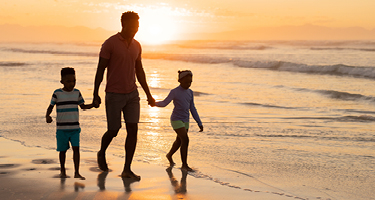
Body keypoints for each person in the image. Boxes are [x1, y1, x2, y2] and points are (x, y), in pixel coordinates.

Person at [93, 11, 155, 181]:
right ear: (123, 24)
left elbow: (139, 70)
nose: (136, 29)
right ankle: (102, 152)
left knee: (133, 130)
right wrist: (95, 93)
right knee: (113, 130)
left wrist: (148, 94)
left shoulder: (137, 45)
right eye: (133, 26)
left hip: (132, 94)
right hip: (113, 94)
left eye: (138, 26)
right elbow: (100, 69)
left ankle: (127, 169)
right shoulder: (110, 44)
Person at [46, 67, 96, 179]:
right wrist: (47, 116)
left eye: (74, 81)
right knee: (62, 151)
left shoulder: (77, 93)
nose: (71, 84)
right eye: (68, 81)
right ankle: (63, 170)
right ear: (62, 82)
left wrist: (93, 105)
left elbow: (83, 106)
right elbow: (51, 107)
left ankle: (77, 172)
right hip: (62, 129)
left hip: (74, 128)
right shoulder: (57, 93)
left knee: (76, 149)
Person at [151, 70, 203, 171]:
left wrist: (199, 122)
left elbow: (192, 108)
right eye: (187, 82)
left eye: (190, 82)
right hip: (176, 119)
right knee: (185, 139)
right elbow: (165, 103)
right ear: (180, 81)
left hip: (185, 120)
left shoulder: (190, 92)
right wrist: (154, 103)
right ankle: (184, 165)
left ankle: (169, 155)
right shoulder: (174, 92)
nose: (189, 84)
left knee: (179, 141)